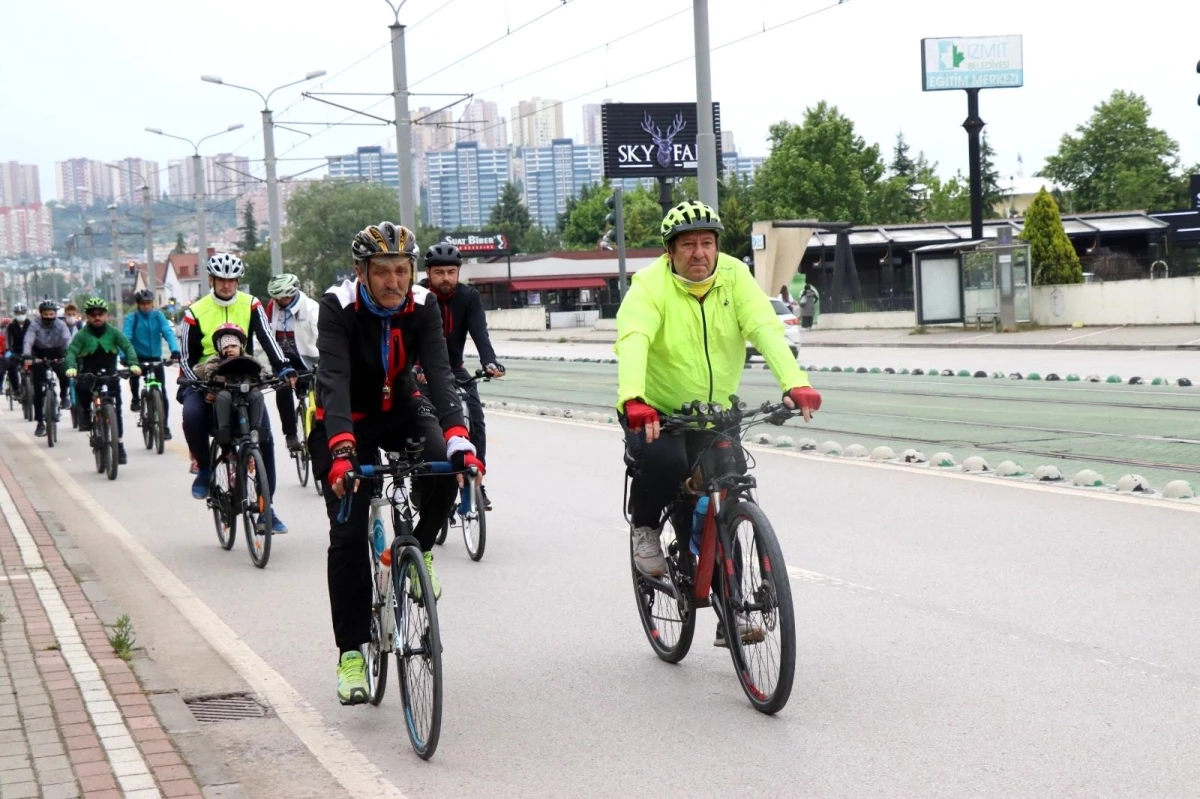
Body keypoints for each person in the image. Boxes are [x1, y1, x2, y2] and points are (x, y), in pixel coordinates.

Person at [615, 201, 822, 647]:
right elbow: (633, 339)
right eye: (688, 244)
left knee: (729, 489)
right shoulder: (649, 286)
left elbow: (765, 328)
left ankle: (731, 613)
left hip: (715, 411)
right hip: (657, 411)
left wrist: (795, 382)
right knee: (667, 465)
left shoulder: (734, 277)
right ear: (670, 251)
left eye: (707, 243)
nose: (699, 253)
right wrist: (634, 398)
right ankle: (645, 528)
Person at [312, 221, 483, 705]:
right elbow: (335, 378)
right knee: (346, 534)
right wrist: (343, 452)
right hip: (344, 418)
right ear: (361, 271)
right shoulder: (337, 306)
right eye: (382, 271)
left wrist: (458, 436)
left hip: (402, 406)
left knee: (446, 468)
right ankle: (350, 652)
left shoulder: (425, 305)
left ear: (413, 272)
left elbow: (440, 370)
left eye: (402, 271)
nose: (393, 282)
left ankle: (419, 549)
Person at [180, 253, 295, 534]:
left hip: (244, 373)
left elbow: (268, 339)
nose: (227, 285)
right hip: (207, 376)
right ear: (212, 280)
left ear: (237, 281)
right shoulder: (195, 311)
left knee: (263, 439)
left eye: (232, 280)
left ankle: (266, 509)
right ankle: (205, 469)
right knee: (192, 414)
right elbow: (185, 357)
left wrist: (283, 368)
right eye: (222, 279)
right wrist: (198, 383)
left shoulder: (251, 304)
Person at [417, 241, 505, 510]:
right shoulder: (416, 294)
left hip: (454, 369)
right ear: (428, 272)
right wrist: (416, 367)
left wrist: (490, 361)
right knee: (424, 426)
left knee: (475, 420)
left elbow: (480, 333)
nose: (446, 278)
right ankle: (421, 482)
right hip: (419, 370)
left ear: (459, 272)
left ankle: (477, 479)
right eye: (440, 272)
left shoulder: (468, 297)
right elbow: (408, 334)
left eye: (451, 272)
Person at [65, 298, 141, 464]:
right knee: (82, 388)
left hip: (110, 374)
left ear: (106, 315)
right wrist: (71, 367)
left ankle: (119, 445)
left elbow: (127, 346)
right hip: (89, 375)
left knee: (117, 409)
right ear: (87, 316)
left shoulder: (114, 332)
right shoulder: (82, 335)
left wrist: (134, 364)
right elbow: (71, 351)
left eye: (100, 314)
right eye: (93, 315)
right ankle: (85, 414)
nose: (97, 317)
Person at [193, 324, 272, 457]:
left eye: (233, 346)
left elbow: (262, 373)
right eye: (225, 347)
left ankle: (255, 432)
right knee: (223, 396)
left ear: (241, 346)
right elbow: (208, 375)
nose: (229, 349)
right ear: (220, 349)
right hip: (227, 399)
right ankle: (225, 437)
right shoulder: (214, 362)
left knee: (257, 395)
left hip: (246, 397)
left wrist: (262, 378)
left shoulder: (251, 361)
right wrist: (215, 381)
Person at [265, 273, 320, 452]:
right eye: (278, 298)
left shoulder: (311, 308)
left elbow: (322, 336)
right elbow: (264, 335)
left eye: (286, 297)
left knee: (323, 390)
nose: (282, 301)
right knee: (283, 388)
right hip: (282, 359)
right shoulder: (271, 307)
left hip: (307, 357)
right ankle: (291, 434)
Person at [124, 288, 181, 439]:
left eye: (149, 303)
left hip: (155, 358)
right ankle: (136, 398)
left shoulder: (158, 316)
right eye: (143, 304)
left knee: (162, 393)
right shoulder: (132, 318)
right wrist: (125, 356)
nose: (146, 306)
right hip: (138, 358)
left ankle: (165, 426)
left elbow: (168, 332)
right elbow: (126, 337)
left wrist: (175, 350)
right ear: (138, 304)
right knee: (134, 376)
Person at [23, 300, 73, 437]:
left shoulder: (61, 324)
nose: (49, 317)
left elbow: (67, 339)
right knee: (38, 391)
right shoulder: (35, 325)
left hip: (58, 354)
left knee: (64, 373)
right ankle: (40, 423)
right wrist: (27, 355)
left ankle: (64, 396)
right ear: (41, 314)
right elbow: (28, 340)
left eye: (52, 314)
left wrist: (71, 353)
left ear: (55, 314)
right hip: (39, 355)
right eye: (46, 314)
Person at [5, 305, 31, 400]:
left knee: (36, 368)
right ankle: (16, 390)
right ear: (15, 314)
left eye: (22, 313)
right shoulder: (11, 326)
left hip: (29, 352)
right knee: (11, 367)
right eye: (18, 313)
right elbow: (8, 340)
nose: (20, 315)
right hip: (15, 351)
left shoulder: (31, 325)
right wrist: (8, 351)